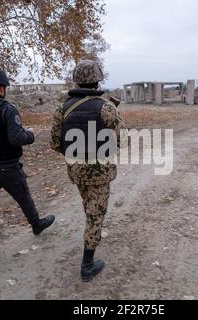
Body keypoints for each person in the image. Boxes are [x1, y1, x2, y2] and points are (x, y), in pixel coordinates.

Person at [0, 67, 55, 266]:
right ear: (0, 88)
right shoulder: (7, 109)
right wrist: (31, 134)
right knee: (24, 197)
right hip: (7, 167)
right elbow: (17, 139)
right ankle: (37, 225)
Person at [50, 60, 127, 282]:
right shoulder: (106, 107)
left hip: (75, 171)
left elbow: (55, 143)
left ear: (77, 79)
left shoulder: (61, 109)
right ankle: (87, 264)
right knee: (95, 216)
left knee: (90, 207)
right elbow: (124, 140)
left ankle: (91, 234)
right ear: (97, 80)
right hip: (100, 172)